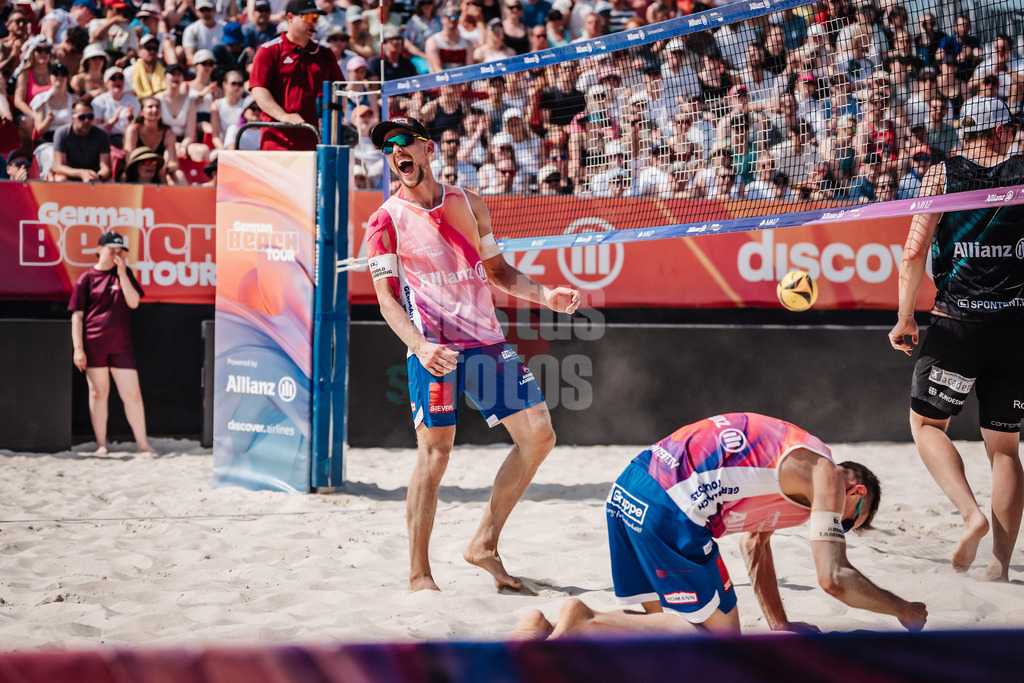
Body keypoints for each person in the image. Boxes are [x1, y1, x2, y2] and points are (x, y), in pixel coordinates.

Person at [366, 115, 580, 591]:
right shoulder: (385, 220)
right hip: (434, 347)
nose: (395, 151)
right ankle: (419, 574)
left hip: (485, 341)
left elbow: (500, 273)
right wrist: (419, 346)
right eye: (387, 148)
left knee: (540, 437)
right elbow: (386, 300)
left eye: (403, 142)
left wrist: (545, 295)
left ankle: (483, 543)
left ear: (426, 149)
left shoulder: (469, 204)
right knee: (436, 453)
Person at [514, 413, 929, 639]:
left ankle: (541, 630)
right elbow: (833, 578)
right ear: (854, 494)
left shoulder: (791, 473)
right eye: (852, 523)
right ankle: (579, 618)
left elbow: (754, 545)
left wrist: (779, 624)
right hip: (670, 506)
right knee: (718, 637)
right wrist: (903, 609)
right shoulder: (825, 475)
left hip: (630, 490)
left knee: (664, 634)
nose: (844, 526)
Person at [888, 96, 1024, 582]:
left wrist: (905, 317)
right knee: (1005, 450)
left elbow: (912, 254)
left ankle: (971, 514)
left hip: (957, 322)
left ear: (966, 131)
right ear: (1007, 130)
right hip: (1015, 327)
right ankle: (1000, 567)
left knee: (926, 427)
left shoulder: (942, 176)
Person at [69, 230, 158, 456]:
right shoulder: (86, 279)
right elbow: (77, 316)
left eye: (120, 252)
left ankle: (142, 444)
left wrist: (122, 273)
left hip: (121, 345)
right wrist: (78, 349)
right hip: (94, 344)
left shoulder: (123, 273)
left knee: (132, 394)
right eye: (112, 250)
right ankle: (101, 445)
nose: (116, 255)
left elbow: (134, 302)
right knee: (99, 392)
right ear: (99, 250)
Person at [249, 0, 344, 151]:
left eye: (316, 18)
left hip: (317, 142)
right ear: (290, 18)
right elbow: (258, 89)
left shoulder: (325, 54)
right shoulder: (269, 50)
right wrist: (282, 116)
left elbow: (339, 91)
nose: (313, 23)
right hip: (278, 143)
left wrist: (338, 122)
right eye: (308, 18)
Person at [52, 100, 111, 182]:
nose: (86, 120)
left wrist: (98, 176)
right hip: (71, 174)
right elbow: (58, 167)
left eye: (90, 117)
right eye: (82, 117)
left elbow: (106, 168)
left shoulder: (102, 135)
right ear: (73, 118)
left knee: (110, 181)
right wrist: (81, 173)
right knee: (60, 179)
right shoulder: (62, 133)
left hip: (93, 176)